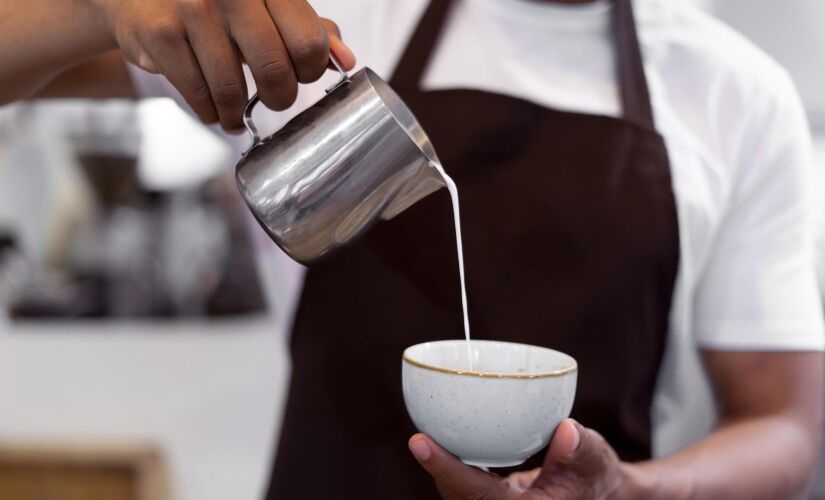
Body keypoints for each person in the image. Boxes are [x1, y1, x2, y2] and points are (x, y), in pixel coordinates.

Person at [2, 0, 824, 498]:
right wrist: (98, 10)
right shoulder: (330, 20)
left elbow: (786, 423)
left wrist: (633, 490)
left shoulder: (734, 92)